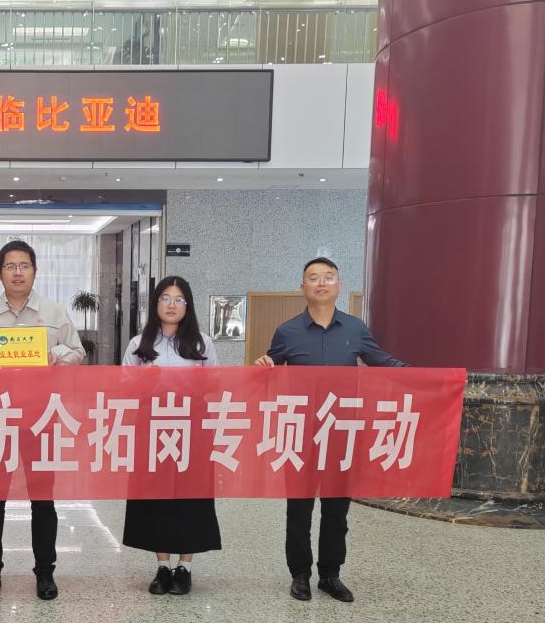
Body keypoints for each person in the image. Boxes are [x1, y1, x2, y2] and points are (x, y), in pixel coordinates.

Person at [254, 257, 406, 604]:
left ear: (338, 285)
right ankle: (300, 575)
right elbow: (270, 372)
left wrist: (429, 379)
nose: (321, 283)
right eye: (313, 278)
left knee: (337, 511)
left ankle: (330, 575)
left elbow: (384, 363)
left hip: (341, 434)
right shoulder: (287, 331)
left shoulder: (355, 329)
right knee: (299, 509)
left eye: (328, 277)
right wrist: (265, 365)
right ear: (302, 287)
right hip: (301, 434)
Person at [0, 239, 85, 601]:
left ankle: (45, 572)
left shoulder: (55, 313)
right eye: (10, 266)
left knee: (43, 500)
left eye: (24, 266)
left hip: (42, 419)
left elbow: (78, 352)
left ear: (34, 272)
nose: (17, 272)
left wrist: (57, 354)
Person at [121, 276, 222, 595]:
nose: (171, 305)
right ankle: (163, 566)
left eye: (179, 299)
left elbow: (214, 385)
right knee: (157, 498)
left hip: (193, 430)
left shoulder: (202, 343)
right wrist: (145, 382)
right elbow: (124, 387)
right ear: (155, 304)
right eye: (165, 298)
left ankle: (184, 567)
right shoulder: (138, 344)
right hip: (152, 429)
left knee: (191, 498)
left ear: (187, 306)